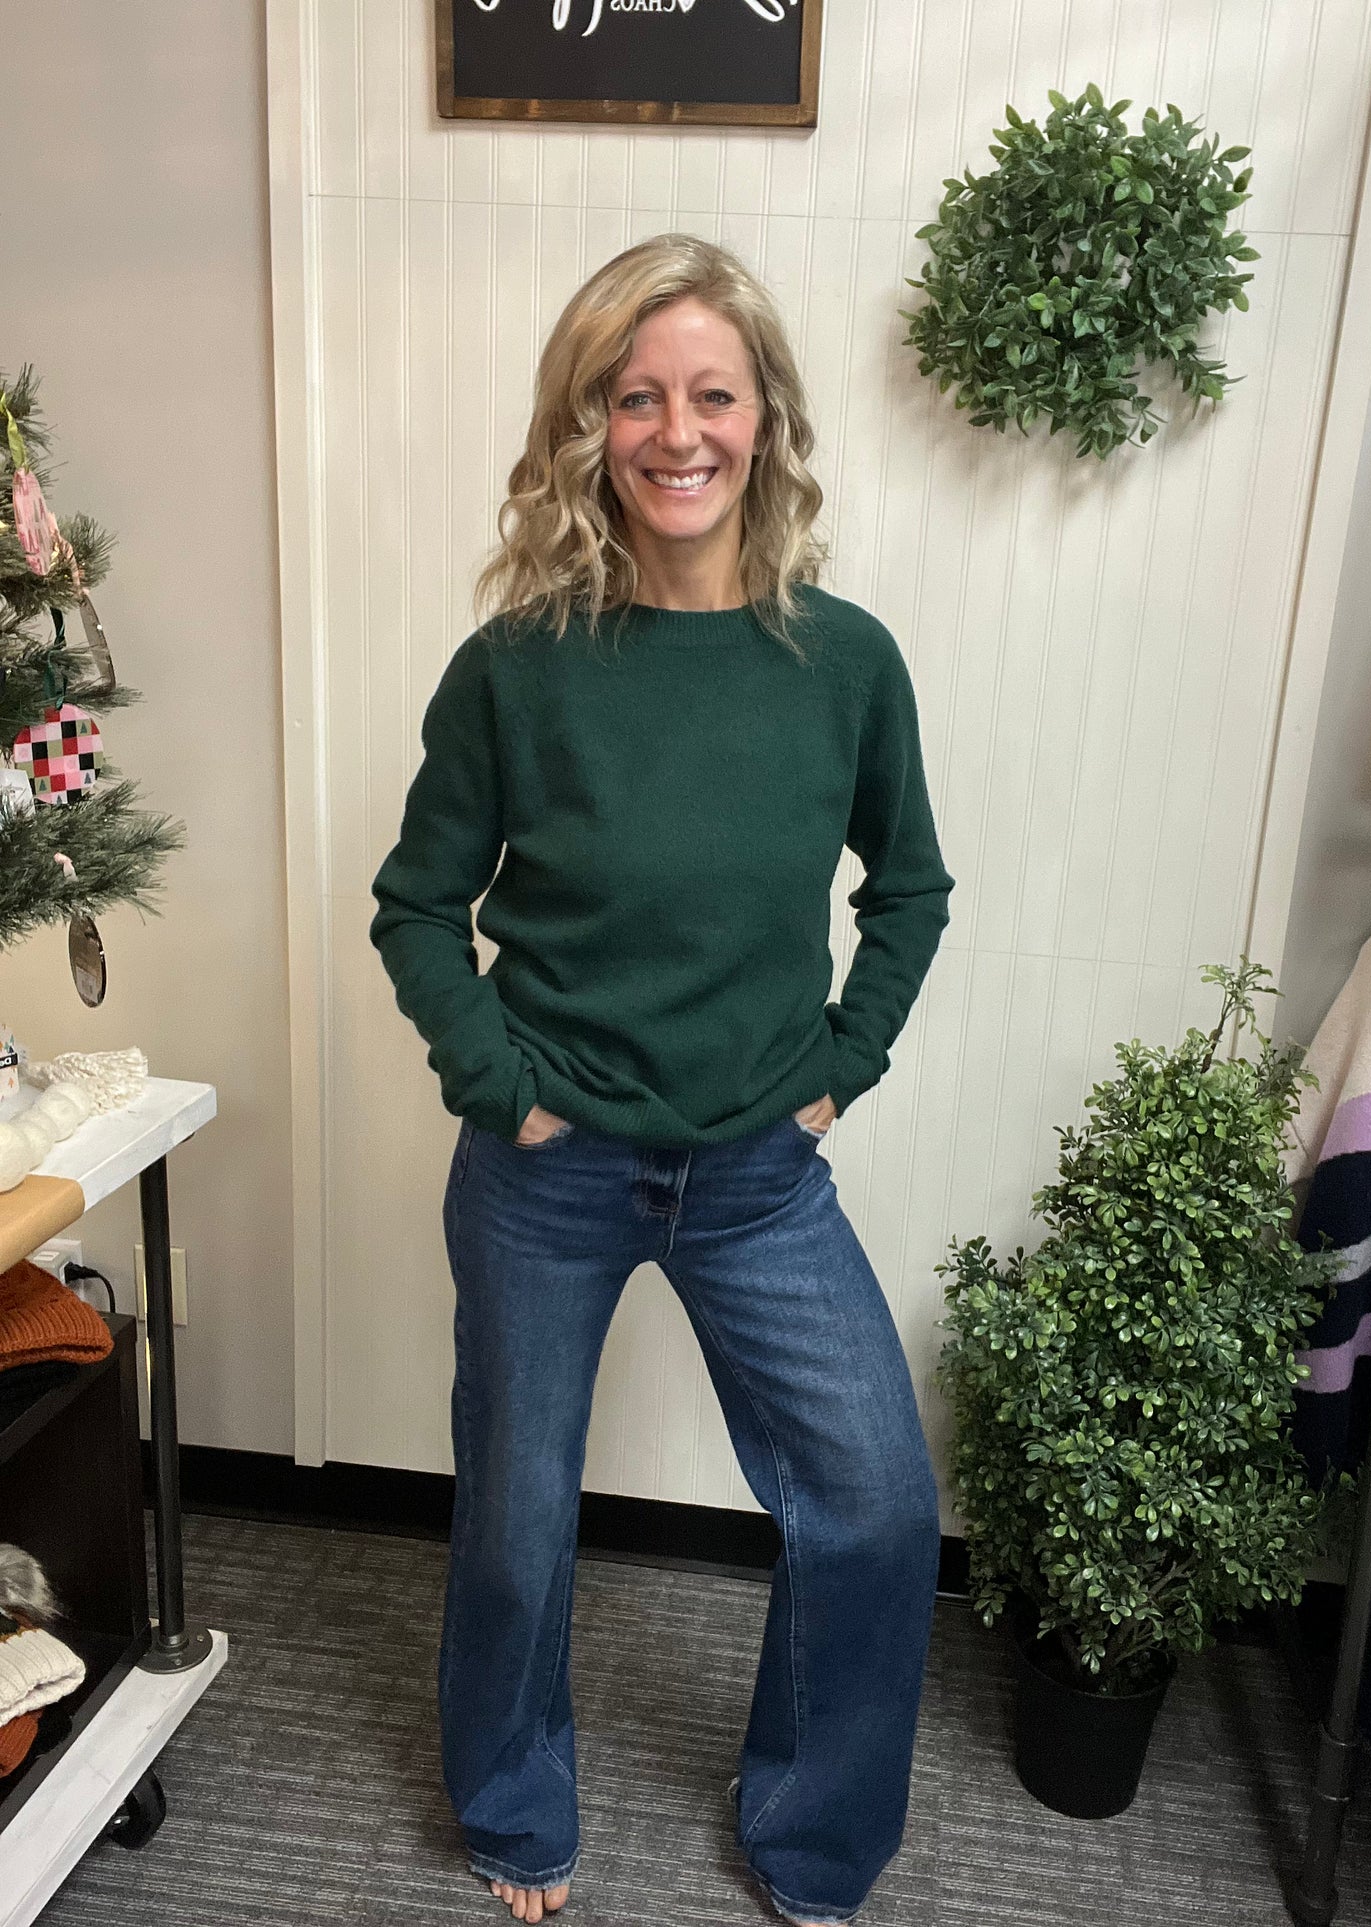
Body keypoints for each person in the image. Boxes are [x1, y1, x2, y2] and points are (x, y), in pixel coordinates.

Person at [370, 232, 953, 1927]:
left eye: (711, 393)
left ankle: (814, 1837)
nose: (676, 431)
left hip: (759, 1172)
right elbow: (417, 904)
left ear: (766, 419)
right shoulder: (515, 665)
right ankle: (513, 1807)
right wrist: (496, 1080)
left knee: (874, 1506)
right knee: (514, 1521)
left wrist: (844, 1060)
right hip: (545, 1172)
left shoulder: (844, 661)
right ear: (588, 426)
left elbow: (909, 888)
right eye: (635, 397)